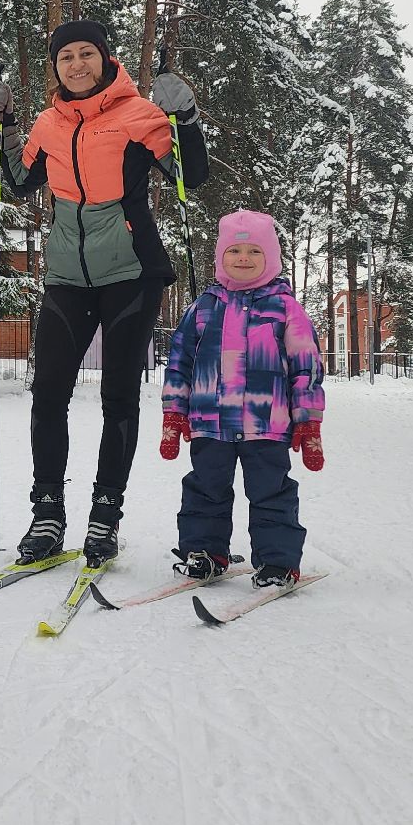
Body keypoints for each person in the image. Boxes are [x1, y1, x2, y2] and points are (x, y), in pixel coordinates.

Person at [0, 19, 209, 566]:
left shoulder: (140, 115)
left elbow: (190, 176)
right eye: (66, 57)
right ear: (55, 67)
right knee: (48, 392)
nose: (77, 64)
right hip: (65, 275)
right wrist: (2, 125)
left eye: (87, 54)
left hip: (131, 271)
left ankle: (105, 515)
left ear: (106, 59)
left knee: (118, 396)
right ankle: (47, 511)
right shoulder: (48, 124)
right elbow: (17, 181)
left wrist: (187, 119)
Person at [158, 209, 325, 588]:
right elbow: (179, 361)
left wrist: (309, 420)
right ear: (221, 256)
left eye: (254, 251)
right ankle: (204, 552)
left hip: (266, 424)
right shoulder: (203, 307)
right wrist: (174, 412)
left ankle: (277, 561)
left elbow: (306, 367)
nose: (244, 259)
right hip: (209, 423)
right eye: (235, 251)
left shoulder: (285, 308)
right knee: (205, 489)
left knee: (271, 493)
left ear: (271, 258)